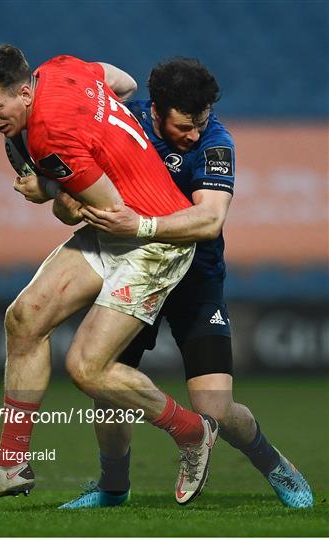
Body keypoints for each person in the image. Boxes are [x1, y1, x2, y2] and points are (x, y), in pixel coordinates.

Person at [0, 46, 218, 510]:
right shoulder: (63, 68)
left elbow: (102, 209)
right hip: (119, 226)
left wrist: (45, 189)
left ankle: (194, 433)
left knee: (87, 369)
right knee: (24, 319)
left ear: (24, 91)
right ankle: (10, 463)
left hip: (152, 241)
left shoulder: (49, 137)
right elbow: (124, 82)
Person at [33, 58, 312, 510]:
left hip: (195, 282)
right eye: (185, 126)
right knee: (104, 385)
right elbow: (73, 203)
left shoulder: (216, 143)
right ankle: (113, 486)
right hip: (134, 271)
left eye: (201, 122)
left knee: (216, 408)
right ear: (157, 110)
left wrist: (138, 224)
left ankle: (275, 464)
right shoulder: (123, 123)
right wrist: (56, 195)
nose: (196, 134)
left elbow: (210, 219)